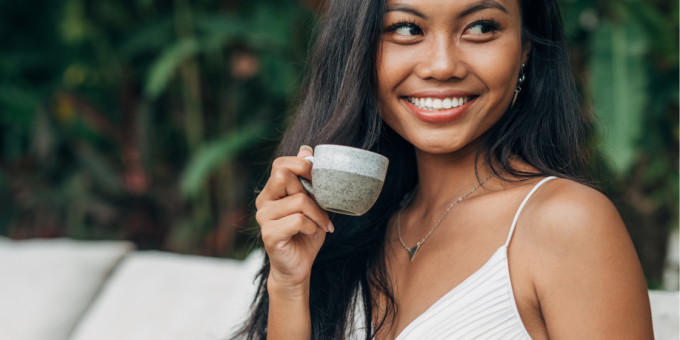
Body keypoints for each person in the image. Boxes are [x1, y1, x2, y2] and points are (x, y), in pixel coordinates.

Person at [234, 0, 654, 339]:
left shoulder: (566, 223)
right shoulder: (357, 229)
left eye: (480, 27)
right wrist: (289, 286)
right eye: (406, 28)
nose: (441, 65)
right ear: (358, 49)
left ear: (525, 47)